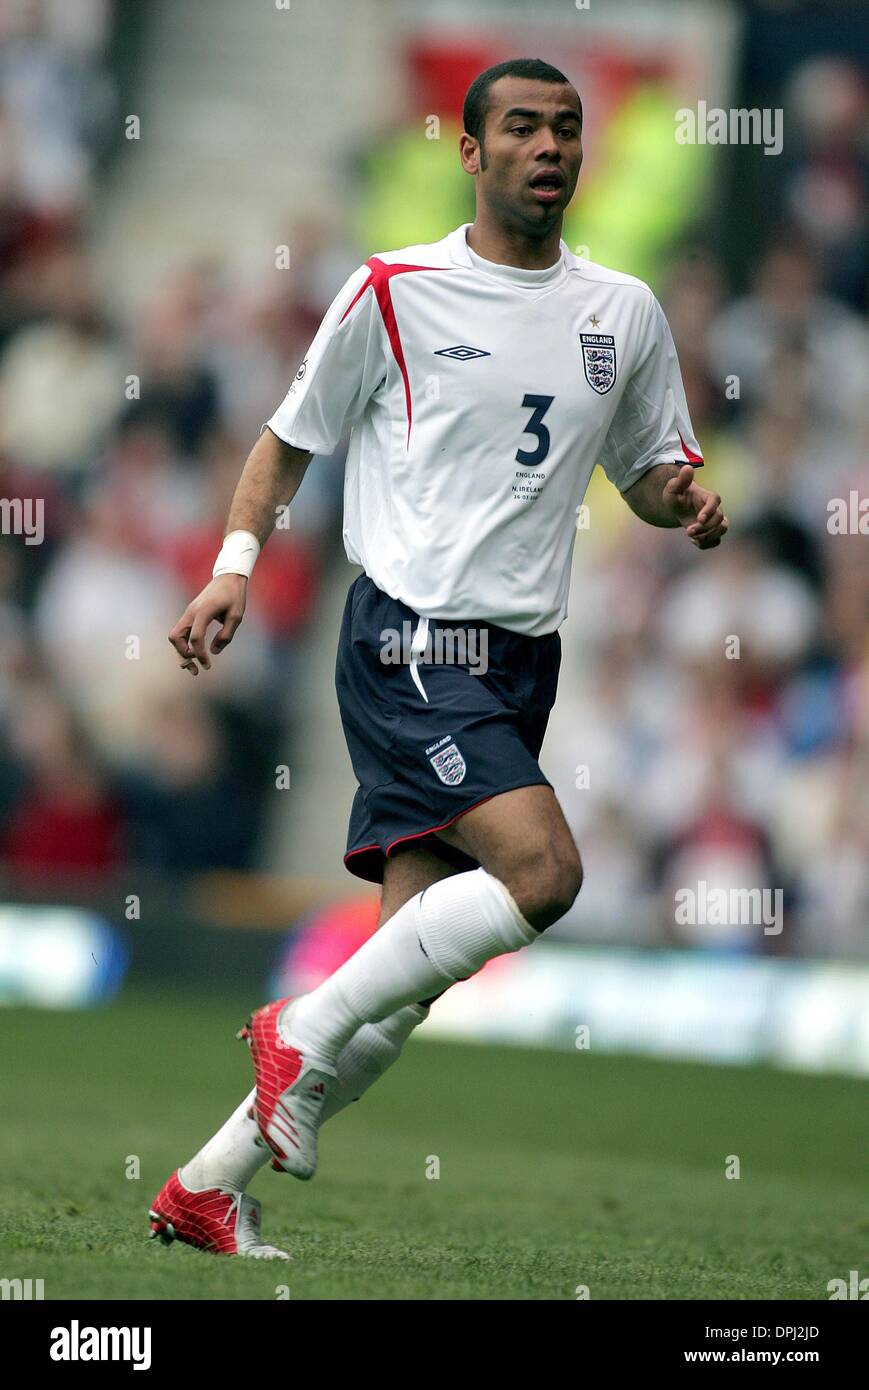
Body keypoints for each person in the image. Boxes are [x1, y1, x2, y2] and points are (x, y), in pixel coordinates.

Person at [149, 57, 728, 1258]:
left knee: (407, 981)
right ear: (470, 152)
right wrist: (235, 566)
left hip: (518, 661)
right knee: (544, 872)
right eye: (520, 127)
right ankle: (294, 1031)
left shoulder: (620, 311)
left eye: (566, 129)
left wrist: (684, 503)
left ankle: (207, 1183)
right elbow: (286, 440)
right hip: (411, 638)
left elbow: (645, 474)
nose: (547, 147)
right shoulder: (395, 291)